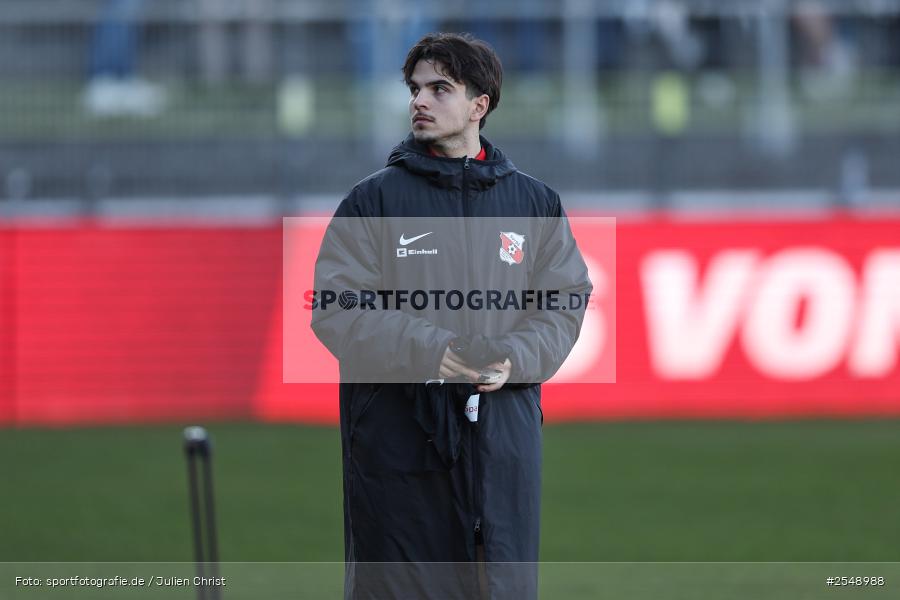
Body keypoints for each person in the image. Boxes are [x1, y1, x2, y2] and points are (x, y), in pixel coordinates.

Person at [310, 33, 592, 599]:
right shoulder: (372, 201)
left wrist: (512, 360)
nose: (420, 100)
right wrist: (434, 350)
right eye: (415, 88)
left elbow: (564, 303)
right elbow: (337, 309)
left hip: (502, 446)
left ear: (479, 105)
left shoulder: (536, 204)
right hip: (398, 445)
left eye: (440, 88)